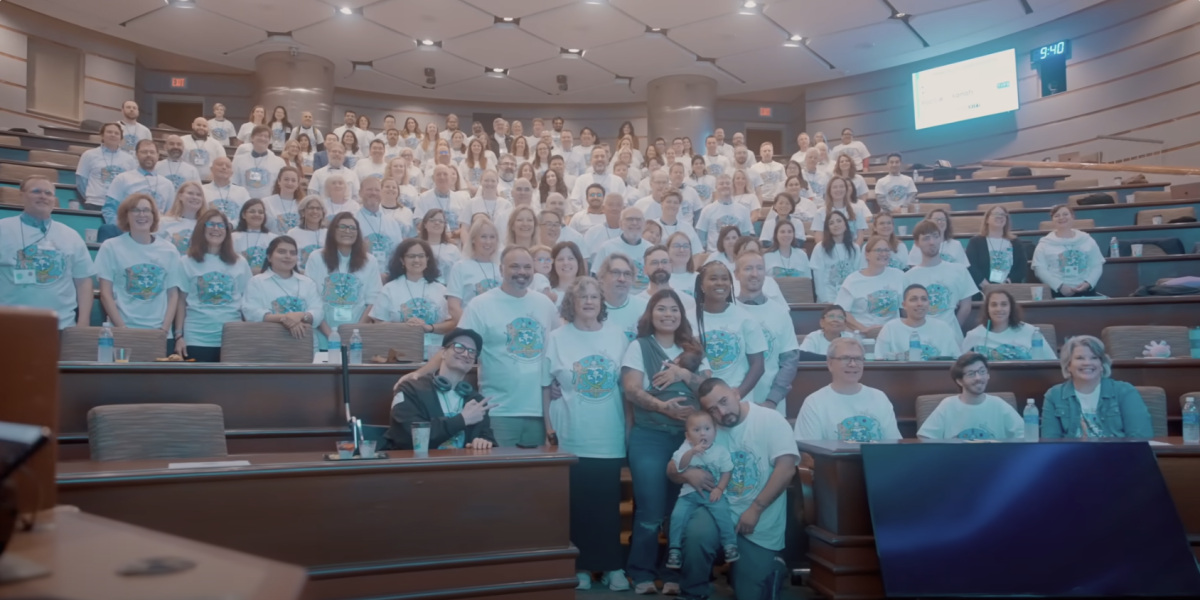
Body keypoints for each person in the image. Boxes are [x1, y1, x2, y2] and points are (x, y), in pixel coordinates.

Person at [540, 276, 630, 591]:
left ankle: (611, 566)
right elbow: (544, 388)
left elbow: (626, 387)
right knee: (577, 506)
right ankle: (579, 567)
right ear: (572, 304)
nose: (589, 302)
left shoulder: (618, 336)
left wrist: (629, 432)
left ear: (601, 302)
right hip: (571, 435)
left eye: (594, 296)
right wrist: (549, 430)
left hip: (608, 434)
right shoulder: (557, 337)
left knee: (607, 506)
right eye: (583, 297)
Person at [670, 378, 798, 600]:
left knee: (752, 594)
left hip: (758, 520)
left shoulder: (770, 420)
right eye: (713, 409)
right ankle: (693, 593)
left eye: (724, 401)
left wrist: (756, 509)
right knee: (696, 535)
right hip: (717, 509)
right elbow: (671, 469)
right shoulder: (707, 428)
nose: (722, 412)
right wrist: (687, 473)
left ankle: (770, 564)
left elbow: (786, 469)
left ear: (736, 394)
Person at [621, 288, 711, 595]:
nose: (668, 314)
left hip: (688, 442)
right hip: (650, 438)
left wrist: (683, 374)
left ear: (681, 316)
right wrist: (663, 407)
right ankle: (642, 572)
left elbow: (709, 389)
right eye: (661, 308)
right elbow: (631, 390)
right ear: (650, 313)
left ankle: (674, 575)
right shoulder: (639, 347)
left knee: (681, 511)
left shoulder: (694, 349)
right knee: (650, 510)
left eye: (674, 309)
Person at [0, 176, 95, 329]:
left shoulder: (70, 235)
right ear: (21, 196)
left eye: (48, 193)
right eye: (36, 191)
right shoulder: (3, 229)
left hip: (61, 326)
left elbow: (83, 282)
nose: (43, 196)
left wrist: (83, 322)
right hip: (10, 326)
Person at [383, 327, 495, 450]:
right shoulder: (411, 389)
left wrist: (483, 443)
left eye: (471, 351)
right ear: (443, 352)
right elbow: (408, 437)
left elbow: (489, 440)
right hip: (420, 467)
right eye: (459, 347)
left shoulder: (476, 400)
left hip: (462, 467)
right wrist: (462, 420)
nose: (465, 354)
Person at [96, 194, 183, 332]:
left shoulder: (170, 250)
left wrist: (164, 330)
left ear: (154, 215)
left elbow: (173, 295)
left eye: (146, 210)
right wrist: (122, 329)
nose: (141, 214)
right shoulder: (110, 247)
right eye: (135, 210)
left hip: (159, 331)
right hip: (122, 329)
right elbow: (105, 294)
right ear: (126, 216)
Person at [664, 410, 739, 572]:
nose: (702, 433)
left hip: (711, 493)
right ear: (688, 435)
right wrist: (691, 452)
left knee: (723, 513)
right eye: (696, 430)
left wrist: (720, 489)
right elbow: (680, 466)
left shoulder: (720, 451)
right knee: (677, 516)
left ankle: (729, 544)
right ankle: (674, 549)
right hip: (688, 495)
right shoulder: (685, 449)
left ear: (715, 431)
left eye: (707, 429)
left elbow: (727, 471)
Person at [173, 209, 251, 362]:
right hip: (196, 336)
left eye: (221, 225)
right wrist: (179, 335)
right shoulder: (186, 262)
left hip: (231, 337)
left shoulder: (239, 262)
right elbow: (181, 301)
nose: (216, 229)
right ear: (202, 228)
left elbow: (246, 302)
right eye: (211, 224)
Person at [1042, 335, 1153, 439]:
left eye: (1094, 357)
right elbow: (1050, 442)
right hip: (1072, 457)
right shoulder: (1054, 395)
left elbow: (1140, 437)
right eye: (1080, 358)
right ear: (1068, 365)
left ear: (1102, 365)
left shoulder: (1125, 391)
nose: (1087, 363)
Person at [794, 337, 901, 441]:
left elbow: (894, 443)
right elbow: (810, 450)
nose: (853, 364)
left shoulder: (879, 397)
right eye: (845, 358)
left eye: (858, 359)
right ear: (830, 364)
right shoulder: (814, 402)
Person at [305, 213, 382, 350]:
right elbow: (311, 299)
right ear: (332, 230)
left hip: (356, 338)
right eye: (342, 227)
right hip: (322, 335)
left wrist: (355, 332)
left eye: (353, 228)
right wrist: (331, 336)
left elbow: (373, 300)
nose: (348, 231)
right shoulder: (316, 258)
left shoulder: (370, 261)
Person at [734, 252, 800, 412]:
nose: (754, 274)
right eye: (748, 268)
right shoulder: (728, 311)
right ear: (736, 274)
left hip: (770, 406)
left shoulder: (780, 313)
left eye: (759, 268)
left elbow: (789, 362)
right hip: (732, 405)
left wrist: (772, 400)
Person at [694, 261, 766, 398]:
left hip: (738, 399)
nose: (720, 283)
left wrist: (738, 393)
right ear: (702, 285)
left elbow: (758, 365)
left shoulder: (746, 319)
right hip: (699, 398)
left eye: (725, 279)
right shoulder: (687, 318)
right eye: (713, 278)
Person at [371, 239, 453, 360]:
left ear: (428, 259)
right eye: (411, 256)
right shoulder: (389, 288)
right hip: (399, 356)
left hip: (435, 357)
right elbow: (378, 323)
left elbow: (452, 323)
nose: (416, 260)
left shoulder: (441, 290)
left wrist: (429, 327)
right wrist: (405, 327)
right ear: (401, 260)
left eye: (421, 256)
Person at [917, 353, 1024, 440]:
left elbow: (1024, 434)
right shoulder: (948, 405)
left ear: (988, 375)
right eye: (971, 374)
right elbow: (924, 437)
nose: (978, 378)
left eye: (982, 372)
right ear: (959, 381)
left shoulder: (998, 404)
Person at [905, 219, 979, 342]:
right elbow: (905, 312)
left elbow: (966, 307)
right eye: (926, 238)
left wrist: (949, 330)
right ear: (917, 243)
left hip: (952, 336)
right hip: (919, 337)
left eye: (935, 236)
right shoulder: (908, 276)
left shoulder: (959, 270)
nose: (932, 242)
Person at [242, 235, 323, 341]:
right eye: (281, 252)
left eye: (292, 253)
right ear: (269, 256)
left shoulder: (307, 282)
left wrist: (301, 315)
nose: (288, 256)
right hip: (269, 344)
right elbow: (251, 313)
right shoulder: (257, 282)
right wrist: (287, 318)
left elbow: (318, 313)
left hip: (305, 343)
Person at [836, 235, 905, 337]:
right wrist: (864, 329)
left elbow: (905, 309)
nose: (884, 254)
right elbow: (842, 312)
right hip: (861, 336)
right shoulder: (853, 280)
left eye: (886, 250)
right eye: (879, 250)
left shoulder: (899, 276)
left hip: (892, 335)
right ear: (867, 254)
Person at [1032, 204, 1105, 298]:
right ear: (1052, 221)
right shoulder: (1045, 243)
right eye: (1057, 216)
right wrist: (1059, 286)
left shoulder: (1087, 240)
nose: (1061, 218)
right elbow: (1039, 269)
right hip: (1056, 292)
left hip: (1086, 291)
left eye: (1065, 214)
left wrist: (1088, 283)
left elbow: (1096, 265)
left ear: (1073, 217)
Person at [962, 289, 1057, 360]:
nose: (999, 309)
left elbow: (1051, 361)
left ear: (1011, 308)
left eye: (1004, 304)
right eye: (994, 305)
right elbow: (960, 368)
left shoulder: (1031, 332)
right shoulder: (974, 335)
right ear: (987, 309)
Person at [875, 284, 961, 360]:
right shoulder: (890, 328)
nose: (920, 303)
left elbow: (956, 359)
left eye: (924, 299)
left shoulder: (943, 327)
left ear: (929, 303)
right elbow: (880, 359)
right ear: (904, 305)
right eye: (913, 299)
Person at [103, 140, 176, 226]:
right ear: (137, 155)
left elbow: (171, 215)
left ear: (157, 155)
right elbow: (109, 209)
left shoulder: (168, 184)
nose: (148, 155)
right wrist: (123, 229)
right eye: (144, 152)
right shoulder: (122, 178)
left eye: (152, 152)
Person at [446, 217, 503, 318]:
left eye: (492, 237)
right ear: (473, 239)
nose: (488, 242)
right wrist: (472, 327)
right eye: (483, 237)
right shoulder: (460, 267)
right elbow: (453, 307)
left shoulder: (503, 268)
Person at [966, 205, 1028, 287]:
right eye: (996, 214)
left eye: (1003, 215)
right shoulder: (975, 242)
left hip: (1009, 289)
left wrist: (1007, 283)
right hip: (982, 290)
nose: (1000, 216)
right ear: (987, 219)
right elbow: (971, 266)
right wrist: (986, 286)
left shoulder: (1015, 243)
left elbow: (1022, 268)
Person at [591, 207, 651, 292]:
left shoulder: (651, 249)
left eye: (638, 220)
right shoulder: (607, 247)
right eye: (629, 219)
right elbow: (596, 279)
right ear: (620, 224)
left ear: (644, 224)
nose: (634, 223)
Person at [811, 212, 865, 304]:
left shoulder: (855, 248)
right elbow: (818, 277)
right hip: (828, 298)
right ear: (828, 228)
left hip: (851, 296)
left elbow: (858, 274)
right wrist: (824, 300)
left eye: (839, 221)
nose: (835, 225)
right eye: (831, 223)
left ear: (845, 225)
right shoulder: (820, 247)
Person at [353, 178, 405, 265]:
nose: (373, 193)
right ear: (360, 193)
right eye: (369, 189)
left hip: (388, 275)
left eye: (377, 190)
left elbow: (398, 252)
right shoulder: (353, 220)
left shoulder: (392, 223)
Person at [697, 174, 753, 253]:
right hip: (713, 254)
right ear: (716, 187)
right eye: (721, 184)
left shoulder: (743, 210)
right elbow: (701, 237)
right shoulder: (707, 210)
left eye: (727, 183)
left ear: (732, 186)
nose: (725, 186)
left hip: (736, 255)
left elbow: (746, 236)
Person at [230, 125, 286, 201]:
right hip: (244, 203)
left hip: (268, 205)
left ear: (270, 140)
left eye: (266, 136)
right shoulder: (238, 160)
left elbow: (281, 187)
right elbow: (233, 185)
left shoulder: (279, 162)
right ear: (252, 138)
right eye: (259, 135)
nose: (263, 138)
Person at [811, 176, 869, 246]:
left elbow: (860, 238)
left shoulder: (857, 210)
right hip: (829, 251)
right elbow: (819, 238)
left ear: (846, 190)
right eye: (835, 187)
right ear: (829, 191)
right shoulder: (820, 213)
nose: (838, 189)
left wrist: (852, 251)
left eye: (841, 186)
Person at [416, 164, 470, 237]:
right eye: (438, 174)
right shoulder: (423, 198)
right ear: (433, 178)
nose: (442, 177)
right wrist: (440, 235)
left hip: (457, 242)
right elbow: (419, 223)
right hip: (432, 242)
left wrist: (453, 234)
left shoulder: (461, 198)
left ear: (450, 178)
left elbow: (467, 224)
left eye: (445, 174)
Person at [157, 181, 208, 255]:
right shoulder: (164, 222)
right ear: (180, 196)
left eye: (199, 195)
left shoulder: (207, 225)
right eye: (190, 193)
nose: (195, 197)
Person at [570, 147, 626, 212]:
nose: (600, 159)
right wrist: (586, 214)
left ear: (608, 160)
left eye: (602, 156)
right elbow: (574, 201)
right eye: (596, 157)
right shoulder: (581, 179)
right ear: (591, 161)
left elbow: (623, 203)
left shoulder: (617, 181)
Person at [202, 156, 251, 227]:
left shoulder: (242, 192)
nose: (224, 167)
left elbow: (247, 214)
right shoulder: (202, 190)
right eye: (220, 164)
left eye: (228, 166)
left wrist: (231, 225)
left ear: (232, 173)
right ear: (211, 169)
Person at [233, 199, 277, 274]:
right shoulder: (233, 237)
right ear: (243, 215)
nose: (257, 214)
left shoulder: (273, 239)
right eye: (252, 211)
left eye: (260, 212)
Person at [418, 208, 461, 282]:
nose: (437, 223)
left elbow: (460, 273)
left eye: (441, 221)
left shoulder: (453, 249)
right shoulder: (417, 248)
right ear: (425, 224)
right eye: (432, 220)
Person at [287, 196, 327, 270]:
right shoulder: (292, 234)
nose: (315, 211)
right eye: (311, 208)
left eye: (318, 208)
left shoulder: (328, 234)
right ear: (302, 212)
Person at [262, 167, 304, 233]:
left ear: (298, 184)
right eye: (286, 179)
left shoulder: (303, 205)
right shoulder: (266, 203)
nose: (290, 183)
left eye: (293, 180)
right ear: (279, 181)